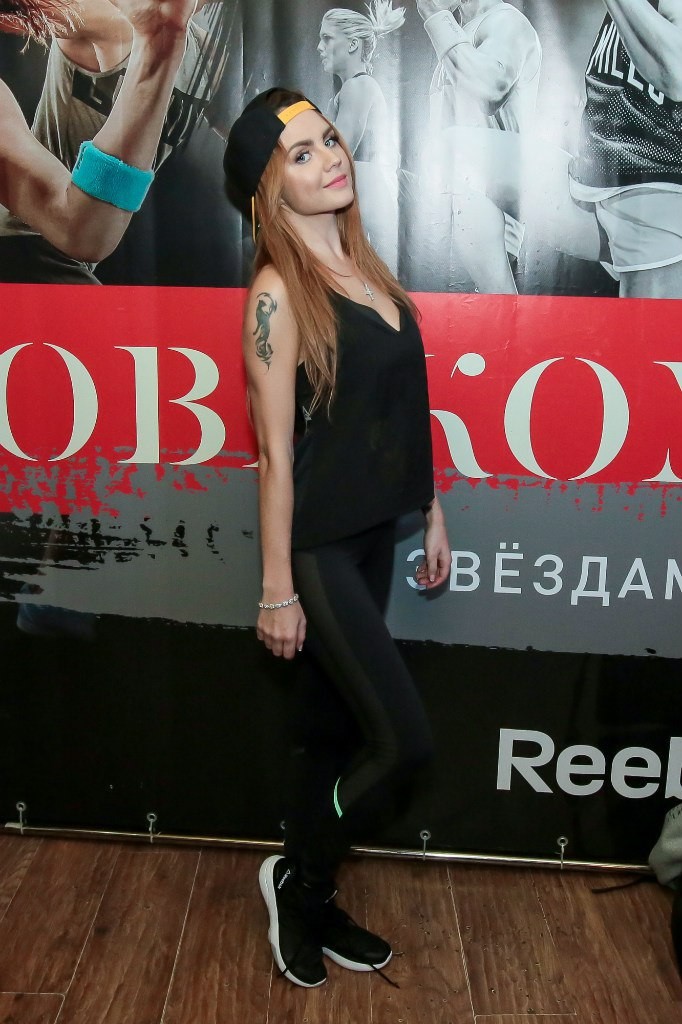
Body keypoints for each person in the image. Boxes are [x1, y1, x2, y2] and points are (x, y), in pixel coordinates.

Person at [223, 87, 450, 988]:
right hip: (317, 550)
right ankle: (299, 879)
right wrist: (277, 588)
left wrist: (429, 508)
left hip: (375, 536)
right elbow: (275, 456)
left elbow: (400, 407)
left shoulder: (368, 269)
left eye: (330, 139)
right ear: (269, 187)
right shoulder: (277, 295)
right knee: (402, 742)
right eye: (303, 154)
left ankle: (310, 896)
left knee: (330, 733)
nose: (331, 158)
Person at [0, 0, 228, 283]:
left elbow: (260, 146)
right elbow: (15, 13)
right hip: (27, 241)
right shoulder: (100, 14)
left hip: (82, 241)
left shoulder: (210, 59)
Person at [569, 0, 682, 299]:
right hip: (594, 182)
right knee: (468, 152)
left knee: (644, 328)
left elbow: (677, 74)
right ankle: (499, 318)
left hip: (655, 190)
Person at [318, 2, 405, 273]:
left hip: (370, 205)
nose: (319, 47)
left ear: (353, 44)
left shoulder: (358, 86)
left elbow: (339, 154)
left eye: (327, 38)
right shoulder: (352, 89)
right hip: (369, 206)